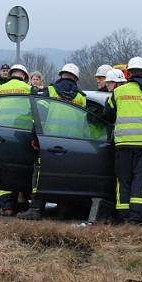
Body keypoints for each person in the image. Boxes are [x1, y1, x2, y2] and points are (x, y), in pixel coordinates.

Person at [18, 63, 86, 220]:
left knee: (40, 174)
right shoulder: (81, 98)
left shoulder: (50, 91)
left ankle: (35, 209)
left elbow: (38, 116)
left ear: (61, 75)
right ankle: (62, 211)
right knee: (65, 176)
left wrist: (35, 137)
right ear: (76, 78)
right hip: (72, 144)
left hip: (49, 142)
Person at [103, 57, 142, 225]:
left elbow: (107, 115)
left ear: (128, 73)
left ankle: (123, 217)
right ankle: (136, 219)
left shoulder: (119, 92)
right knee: (141, 181)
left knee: (123, 180)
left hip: (123, 144)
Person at [0, 64, 32, 216]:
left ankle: (6, 206)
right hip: (21, 135)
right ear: (24, 76)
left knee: (3, 170)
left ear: (10, 75)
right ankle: (21, 198)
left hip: (1, 134)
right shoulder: (28, 89)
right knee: (21, 168)